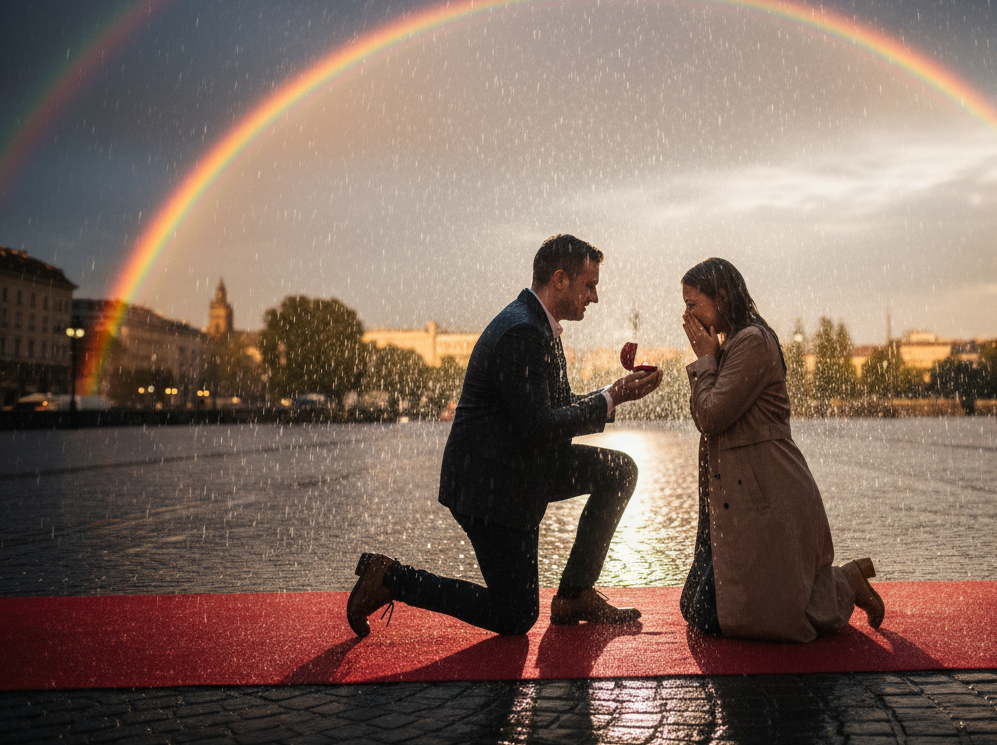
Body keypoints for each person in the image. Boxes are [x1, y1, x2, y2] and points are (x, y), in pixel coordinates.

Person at [347, 235, 664, 637]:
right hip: (491, 484)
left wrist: (615, 396)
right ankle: (391, 578)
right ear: (560, 279)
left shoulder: (540, 325)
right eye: (590, 284)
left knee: (618, 470)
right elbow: (538, 426)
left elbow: (555, 410)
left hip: (520, 465)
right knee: (514, 615)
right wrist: (610, 397)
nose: (595, 297)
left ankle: (574, 595)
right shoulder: (522, 333)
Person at [679, 257, 885, 642]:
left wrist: (704, 360)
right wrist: (706, 360)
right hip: (735, 496)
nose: (687, 314)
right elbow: (704, 414)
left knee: (762, 616)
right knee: (696, 606)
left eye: (694, 304)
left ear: (721, 297)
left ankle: (844, 583)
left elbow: (710, 415)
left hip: (767, 492)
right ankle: (835, 582)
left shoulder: (752, 342)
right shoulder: (730, 345)